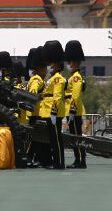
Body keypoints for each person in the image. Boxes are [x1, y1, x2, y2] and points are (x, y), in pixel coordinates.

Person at [38, 40, 66, 169]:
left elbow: (58, 97)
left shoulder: (58, 79)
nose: (49, 66)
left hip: (53, 112)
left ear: (56, 64)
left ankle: (59, 162)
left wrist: (54, 112)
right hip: (48, 111)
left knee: (56, 139)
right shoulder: (51, 79)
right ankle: (56, 161)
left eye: (51, 63)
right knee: (53, 140)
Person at [62, 40, 86, 169]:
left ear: (76, 62)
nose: (68, 64)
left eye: (70, 62)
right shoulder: (72, 77)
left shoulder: (76, 77)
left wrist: (71, 110)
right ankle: (78, 159)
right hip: (71, 111)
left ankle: (81, 160)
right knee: (74, 137)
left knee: (77, 137)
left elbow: (75, 96)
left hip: (74, 112)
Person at [25, 47, 47, 167]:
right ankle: (32, 158)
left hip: (34, 113)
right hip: (38, 113)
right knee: (37, 139)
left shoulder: (34, 79)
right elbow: (33, 94)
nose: (46, 70)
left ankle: (34, 158)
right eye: (44, 68)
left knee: (35, 139)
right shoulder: (37, 79)